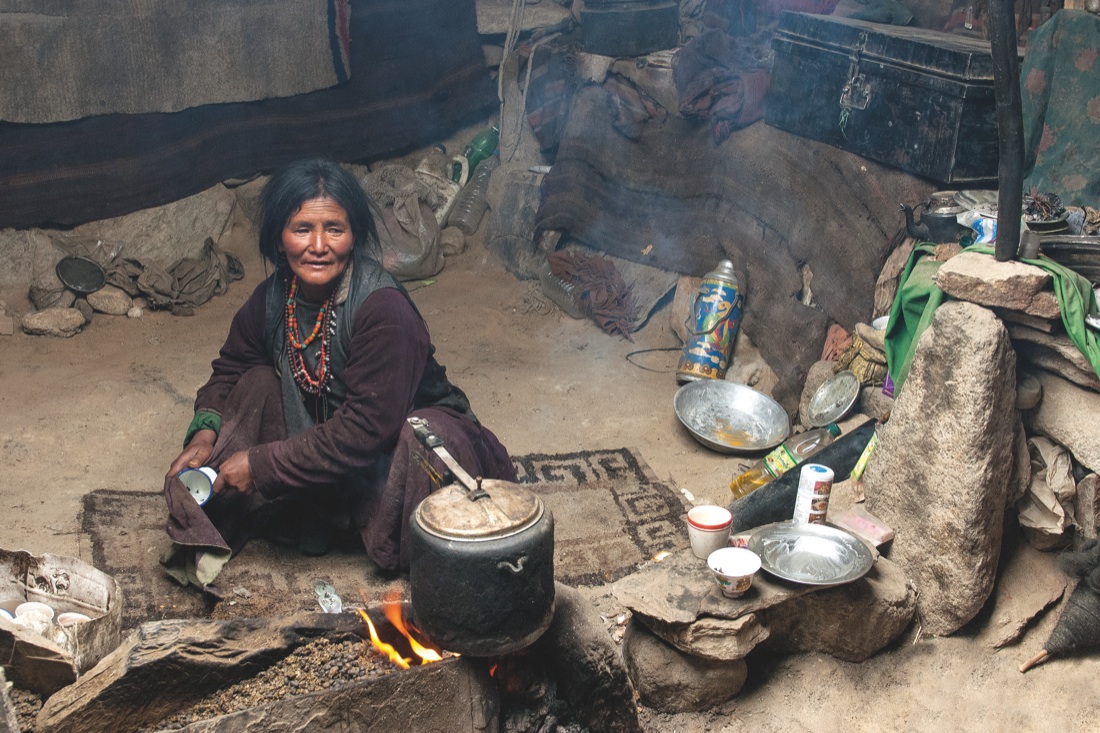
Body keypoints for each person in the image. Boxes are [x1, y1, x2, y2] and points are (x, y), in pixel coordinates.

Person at [161, 159, 516, 592]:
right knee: (254, 384)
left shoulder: (383, 308)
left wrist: (261, 464)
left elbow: (366, 431)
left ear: (354, 237)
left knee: (417, 437)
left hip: (395, 458)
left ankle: (396, 539)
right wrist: (204, 435)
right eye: (301, 229)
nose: (318, 245)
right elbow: (230, 368)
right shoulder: (273, 299)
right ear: (279, 238)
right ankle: (292, 516)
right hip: (323, 453)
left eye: (334, 229)